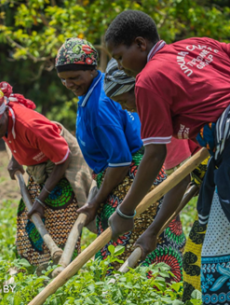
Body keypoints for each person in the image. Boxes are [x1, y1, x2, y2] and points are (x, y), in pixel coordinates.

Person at [105, 10, 230, 303]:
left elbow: (154, 155)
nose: (122, 67)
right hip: (222, 150)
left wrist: (126, 211)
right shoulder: (196, 45)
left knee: (217, 261)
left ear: (139, 44)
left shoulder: (148, 80)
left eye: (120, 57)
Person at [55, 38, 185, 281]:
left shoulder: (100, 104)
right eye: (63, 79)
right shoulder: (101, 86)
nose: (68, 84)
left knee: (127, 258)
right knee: (151, 254)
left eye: (74, 77)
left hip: (129, 183)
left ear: (92, 69)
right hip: (137, 177)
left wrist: (95, 202)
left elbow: (120, 161)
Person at [104, 58, 206, 299]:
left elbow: (178, 178)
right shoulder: (155, 106)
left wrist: (152, 230)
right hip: (209, 173)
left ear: (136, 88)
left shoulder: (159, 109)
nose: (126, 108)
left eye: (124, 100)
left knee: (199, 260)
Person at [0, 82, 94, 267]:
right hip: (40, 169)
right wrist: (16, 158)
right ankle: (35, 272)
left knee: (59, 224)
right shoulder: (2, 122)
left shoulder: (30, 125)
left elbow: (63, 158)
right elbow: (10, 135)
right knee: (29, 224)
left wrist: (42, 199)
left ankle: (63, 274)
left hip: (62, 170)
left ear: (4, 113)